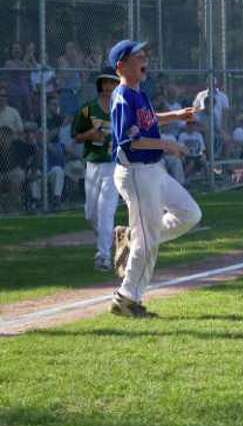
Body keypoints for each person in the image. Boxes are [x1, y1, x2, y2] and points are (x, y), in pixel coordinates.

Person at [106, 39, 202, 317]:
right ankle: (126, 299)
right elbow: (130, 143)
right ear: (121, 67)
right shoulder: (124, 95)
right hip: (136, 173)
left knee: (190, 214)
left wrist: (176, 116)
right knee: (147, 242)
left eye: (144, 53)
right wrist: (168, 145)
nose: (144, 57)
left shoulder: (139, 92)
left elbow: (149, 120)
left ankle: (136, 237)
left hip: (152, 171)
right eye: (137, 56)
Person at [72, 67, 121, 271]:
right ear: (100, 85)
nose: (109, 87)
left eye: (113, 83)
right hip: (92, 164)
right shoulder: (88, 109)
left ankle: (104, 257)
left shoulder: (122, 109)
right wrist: (90, 134)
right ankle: (112, 237)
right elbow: (76, 137)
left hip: (114, 165)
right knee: (90, 213)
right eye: (105, 83)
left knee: (105, 210)